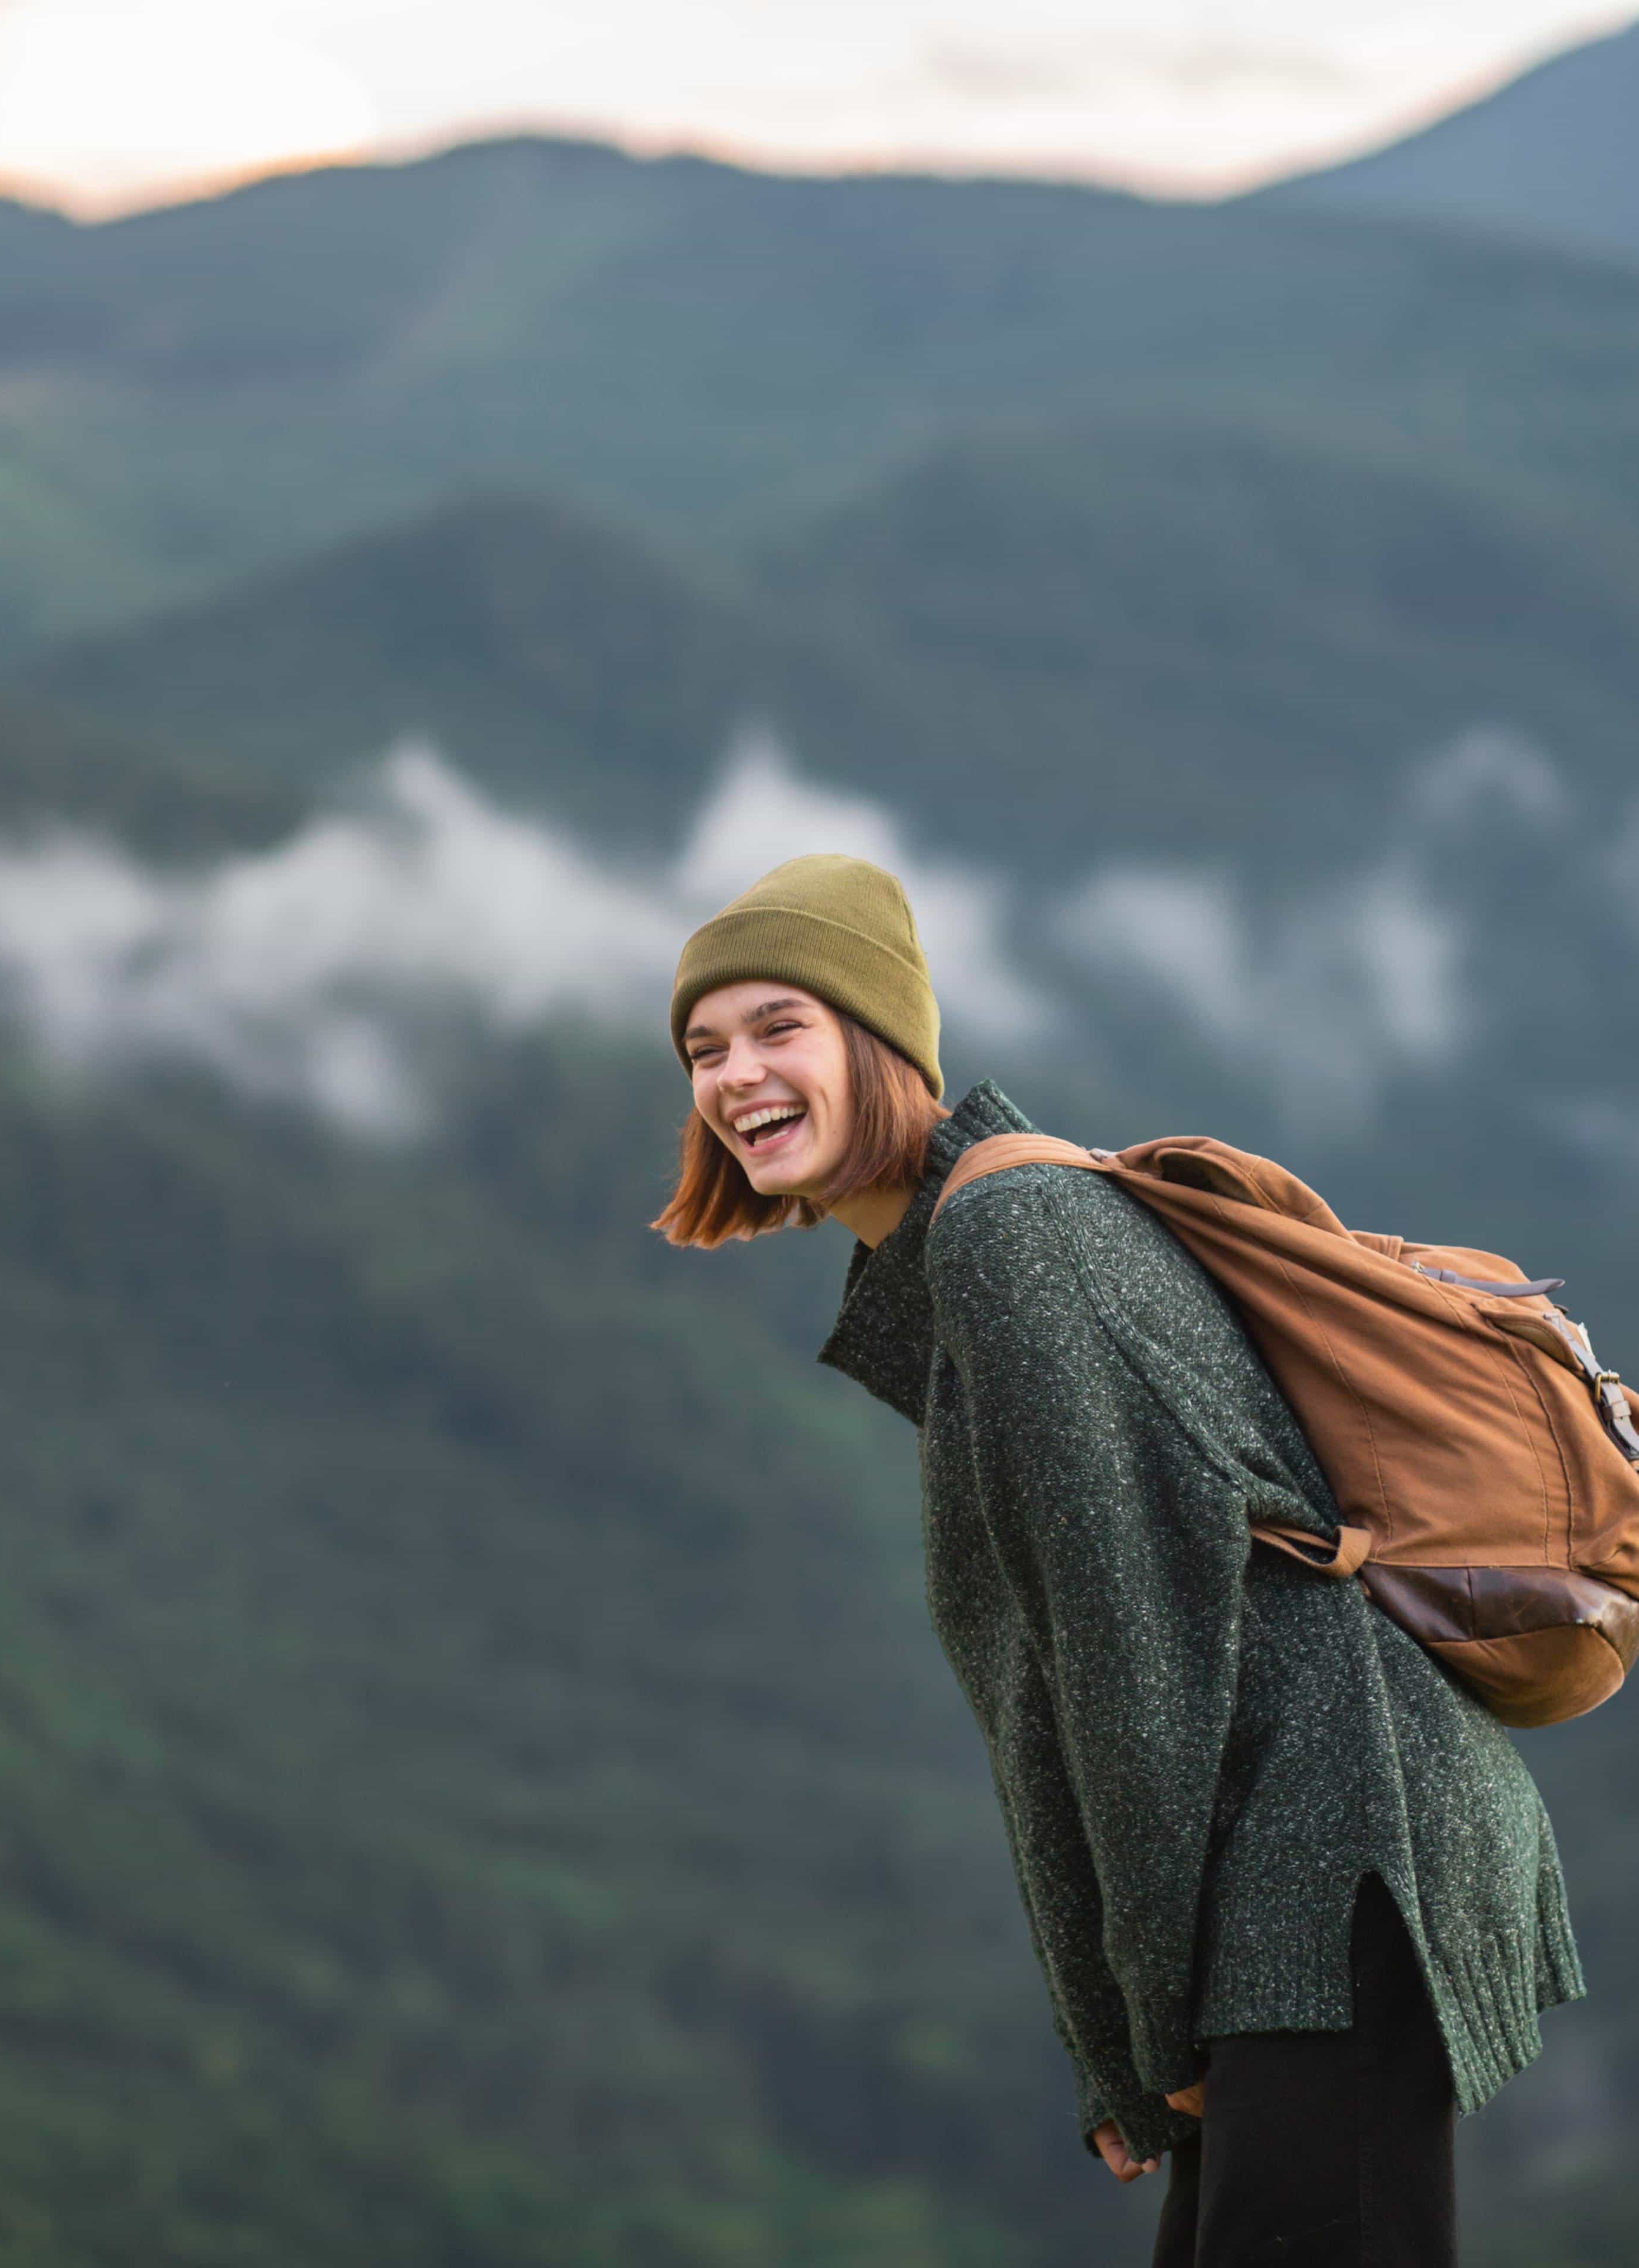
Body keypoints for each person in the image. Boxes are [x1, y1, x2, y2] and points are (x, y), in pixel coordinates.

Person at [656, 854, 1584, 2268]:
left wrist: (1143, 2038)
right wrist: (1122, 2045)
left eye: (779, 1026)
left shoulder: (1009, 1238)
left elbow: (1125, 1667)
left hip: (1338, 1853)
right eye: (704, 1048)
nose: (736, 1077)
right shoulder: (968, 1258)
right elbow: (1057, 1690)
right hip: (1285, 1872)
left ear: (882, 1039)